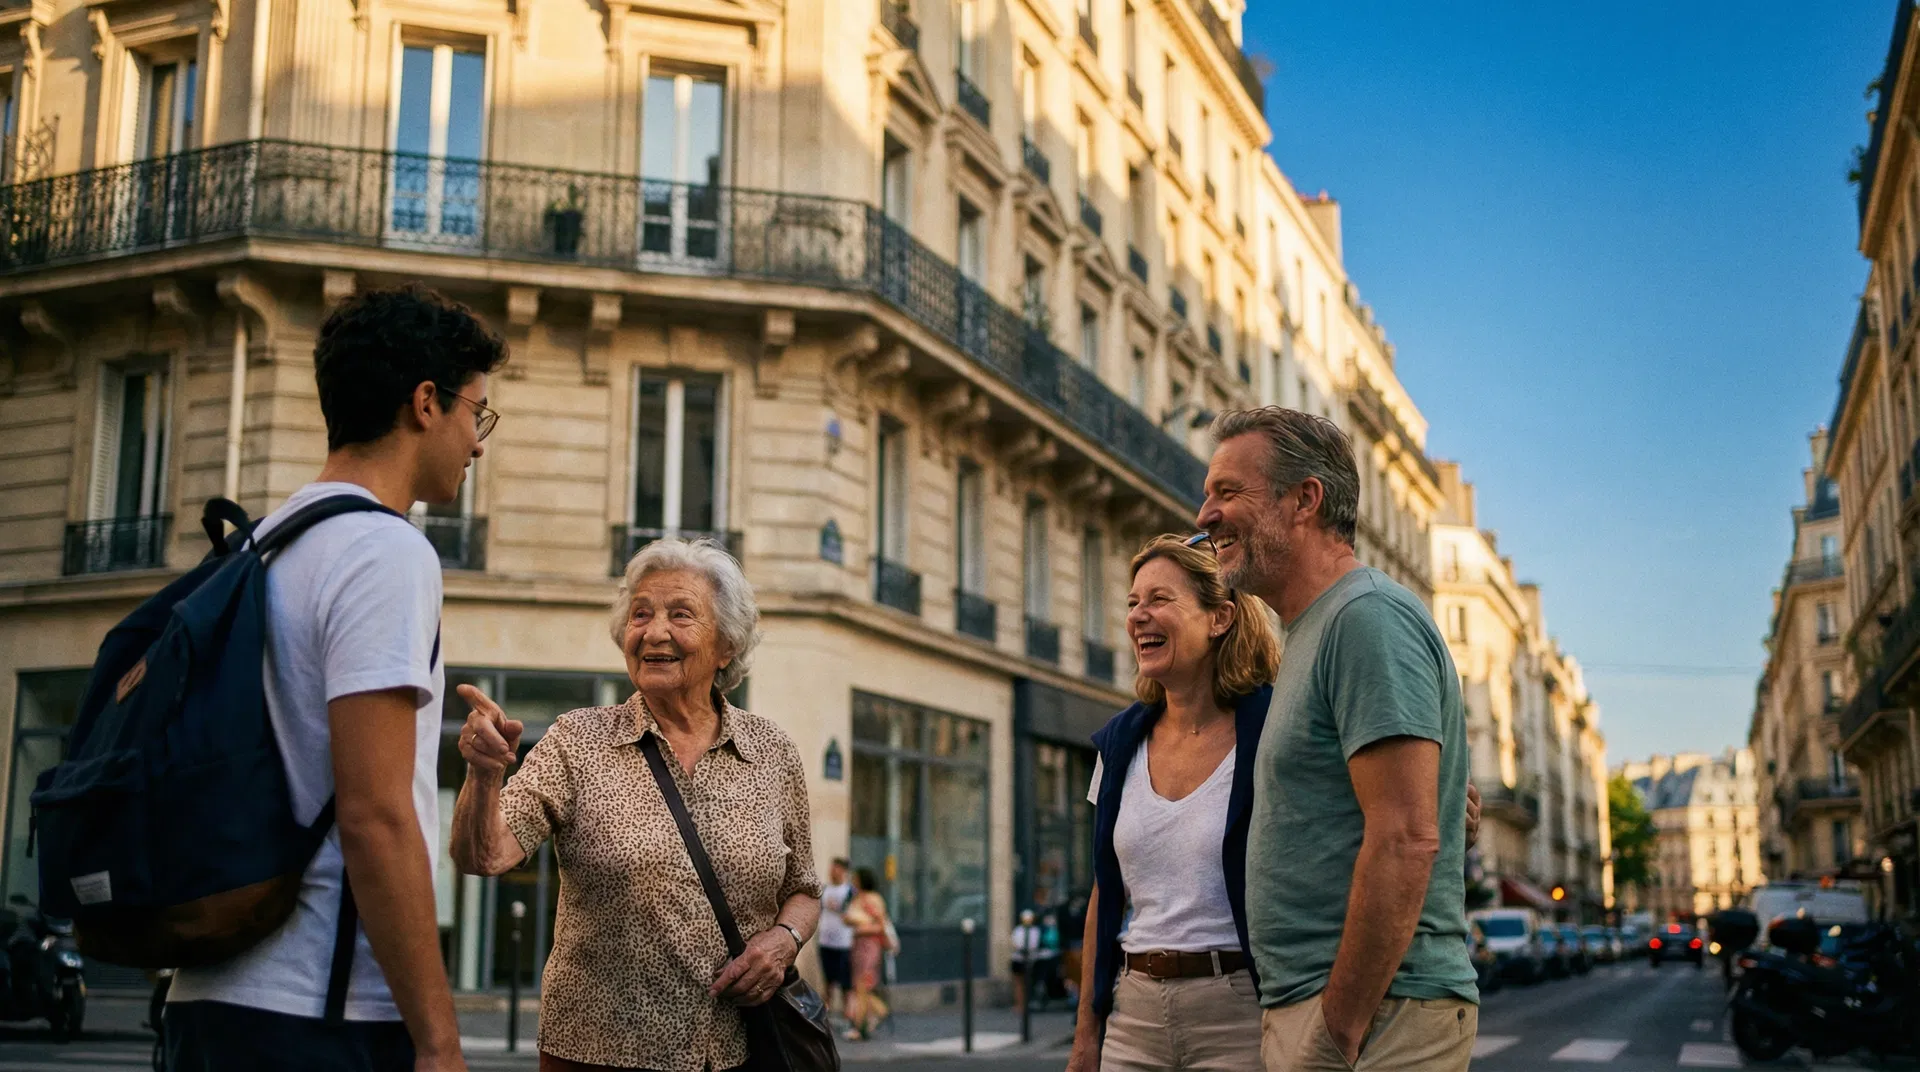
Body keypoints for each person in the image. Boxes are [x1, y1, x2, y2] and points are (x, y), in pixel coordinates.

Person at [165, 284, 509, 1072]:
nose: (478, 442)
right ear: (426, 402)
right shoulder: (384, 551)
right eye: (475, 413)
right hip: (318, 1012)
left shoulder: (268, 541)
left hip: (207, 992)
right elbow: (377, 814)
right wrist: (439, 1040)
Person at [449, 538, 822, 1071]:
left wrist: (784, 942)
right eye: (640, 614)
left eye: (681, 615)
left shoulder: (772, 751)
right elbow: (482, 856)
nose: (654, 632)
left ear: (726, 647)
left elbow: (803, 890)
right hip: (599, 1054)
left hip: (739, 1052)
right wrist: (484, 776)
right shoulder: (577, 740)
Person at [1199, 407, 1479, 1072]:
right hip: (1332, 1007)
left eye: (1227, 492)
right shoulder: (1310, 635)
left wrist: (1338, 1029)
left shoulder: (1366, 617)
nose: (1204, 513)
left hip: (1378, 1012)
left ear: (1304, 500)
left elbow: (1406, 837)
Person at [1066, 533, 1282, 1072]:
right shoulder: (1118, 746)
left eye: (1160, 599)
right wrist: (1086, 1033)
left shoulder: (1275, 728)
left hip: (1241, 1012)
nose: (1139, 615)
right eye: (1133, 603)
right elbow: (1104, 893)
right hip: (1133, 1013)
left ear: (1220, 618)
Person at [840, 868, 894, 1041]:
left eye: (856, 878)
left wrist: (862, 929)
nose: (853, 881)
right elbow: (846, 918)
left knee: (863, 985)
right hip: (858, 946)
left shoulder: (873, 899)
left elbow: (880, 925)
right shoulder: (857, 898)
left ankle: (859, 1026)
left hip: (869, 946)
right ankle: (877, 1014)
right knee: (860, 986)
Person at [818, 859, 857, 1018]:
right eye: (832, 868)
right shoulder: (824, 889)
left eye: (837, 869)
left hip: (844, 943)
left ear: (844, 871)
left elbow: (854, 912)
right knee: (828, 981)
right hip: (825, 941)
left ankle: (848, 1015)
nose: (833, 871)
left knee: (845, 983)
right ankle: (825, 1015)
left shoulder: (850, 891)